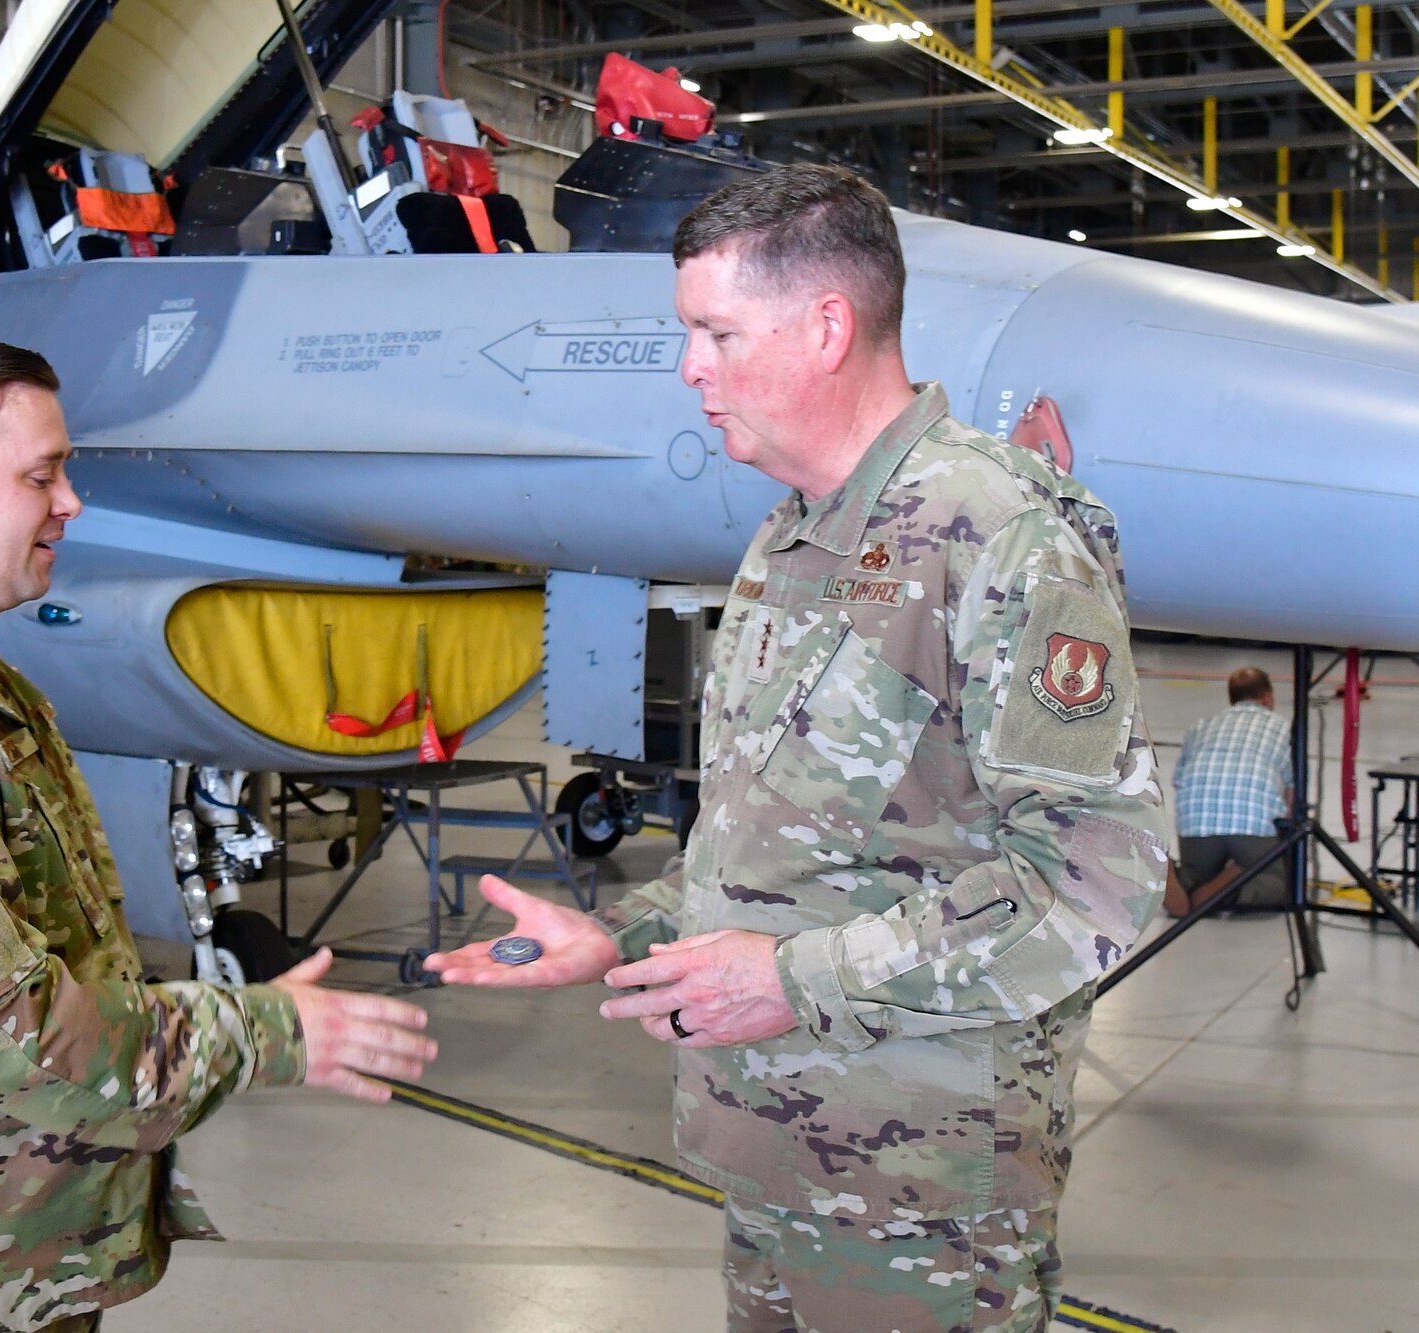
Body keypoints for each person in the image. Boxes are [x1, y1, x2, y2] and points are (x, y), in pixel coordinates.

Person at [429, 165, 1169, 1332]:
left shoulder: (1001, 536)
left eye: (714, 332)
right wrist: (620, 933)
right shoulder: (792, 536)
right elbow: (779, 843)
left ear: (826, 327)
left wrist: (787, 981)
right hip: (776, 1149)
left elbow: (1090, 885)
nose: (690, 369)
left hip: (923, 1190)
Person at [0, 334, 437, 1332]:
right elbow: (9, 1039)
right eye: (42, 475)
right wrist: (261, 1032)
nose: (69, 503)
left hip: (0, 1271)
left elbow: (68, 975)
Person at [1168, 666, 1293, 915]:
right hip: (1250, 823)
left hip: (1196, 819)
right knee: (1277, 883)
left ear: (1232, 697)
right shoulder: (1282, 728)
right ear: (1268, 698)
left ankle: (1177, 877)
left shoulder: (1201, 726)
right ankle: (1232, 885)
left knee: (1197, 872)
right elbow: (1292, 795)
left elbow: (1179, 781)